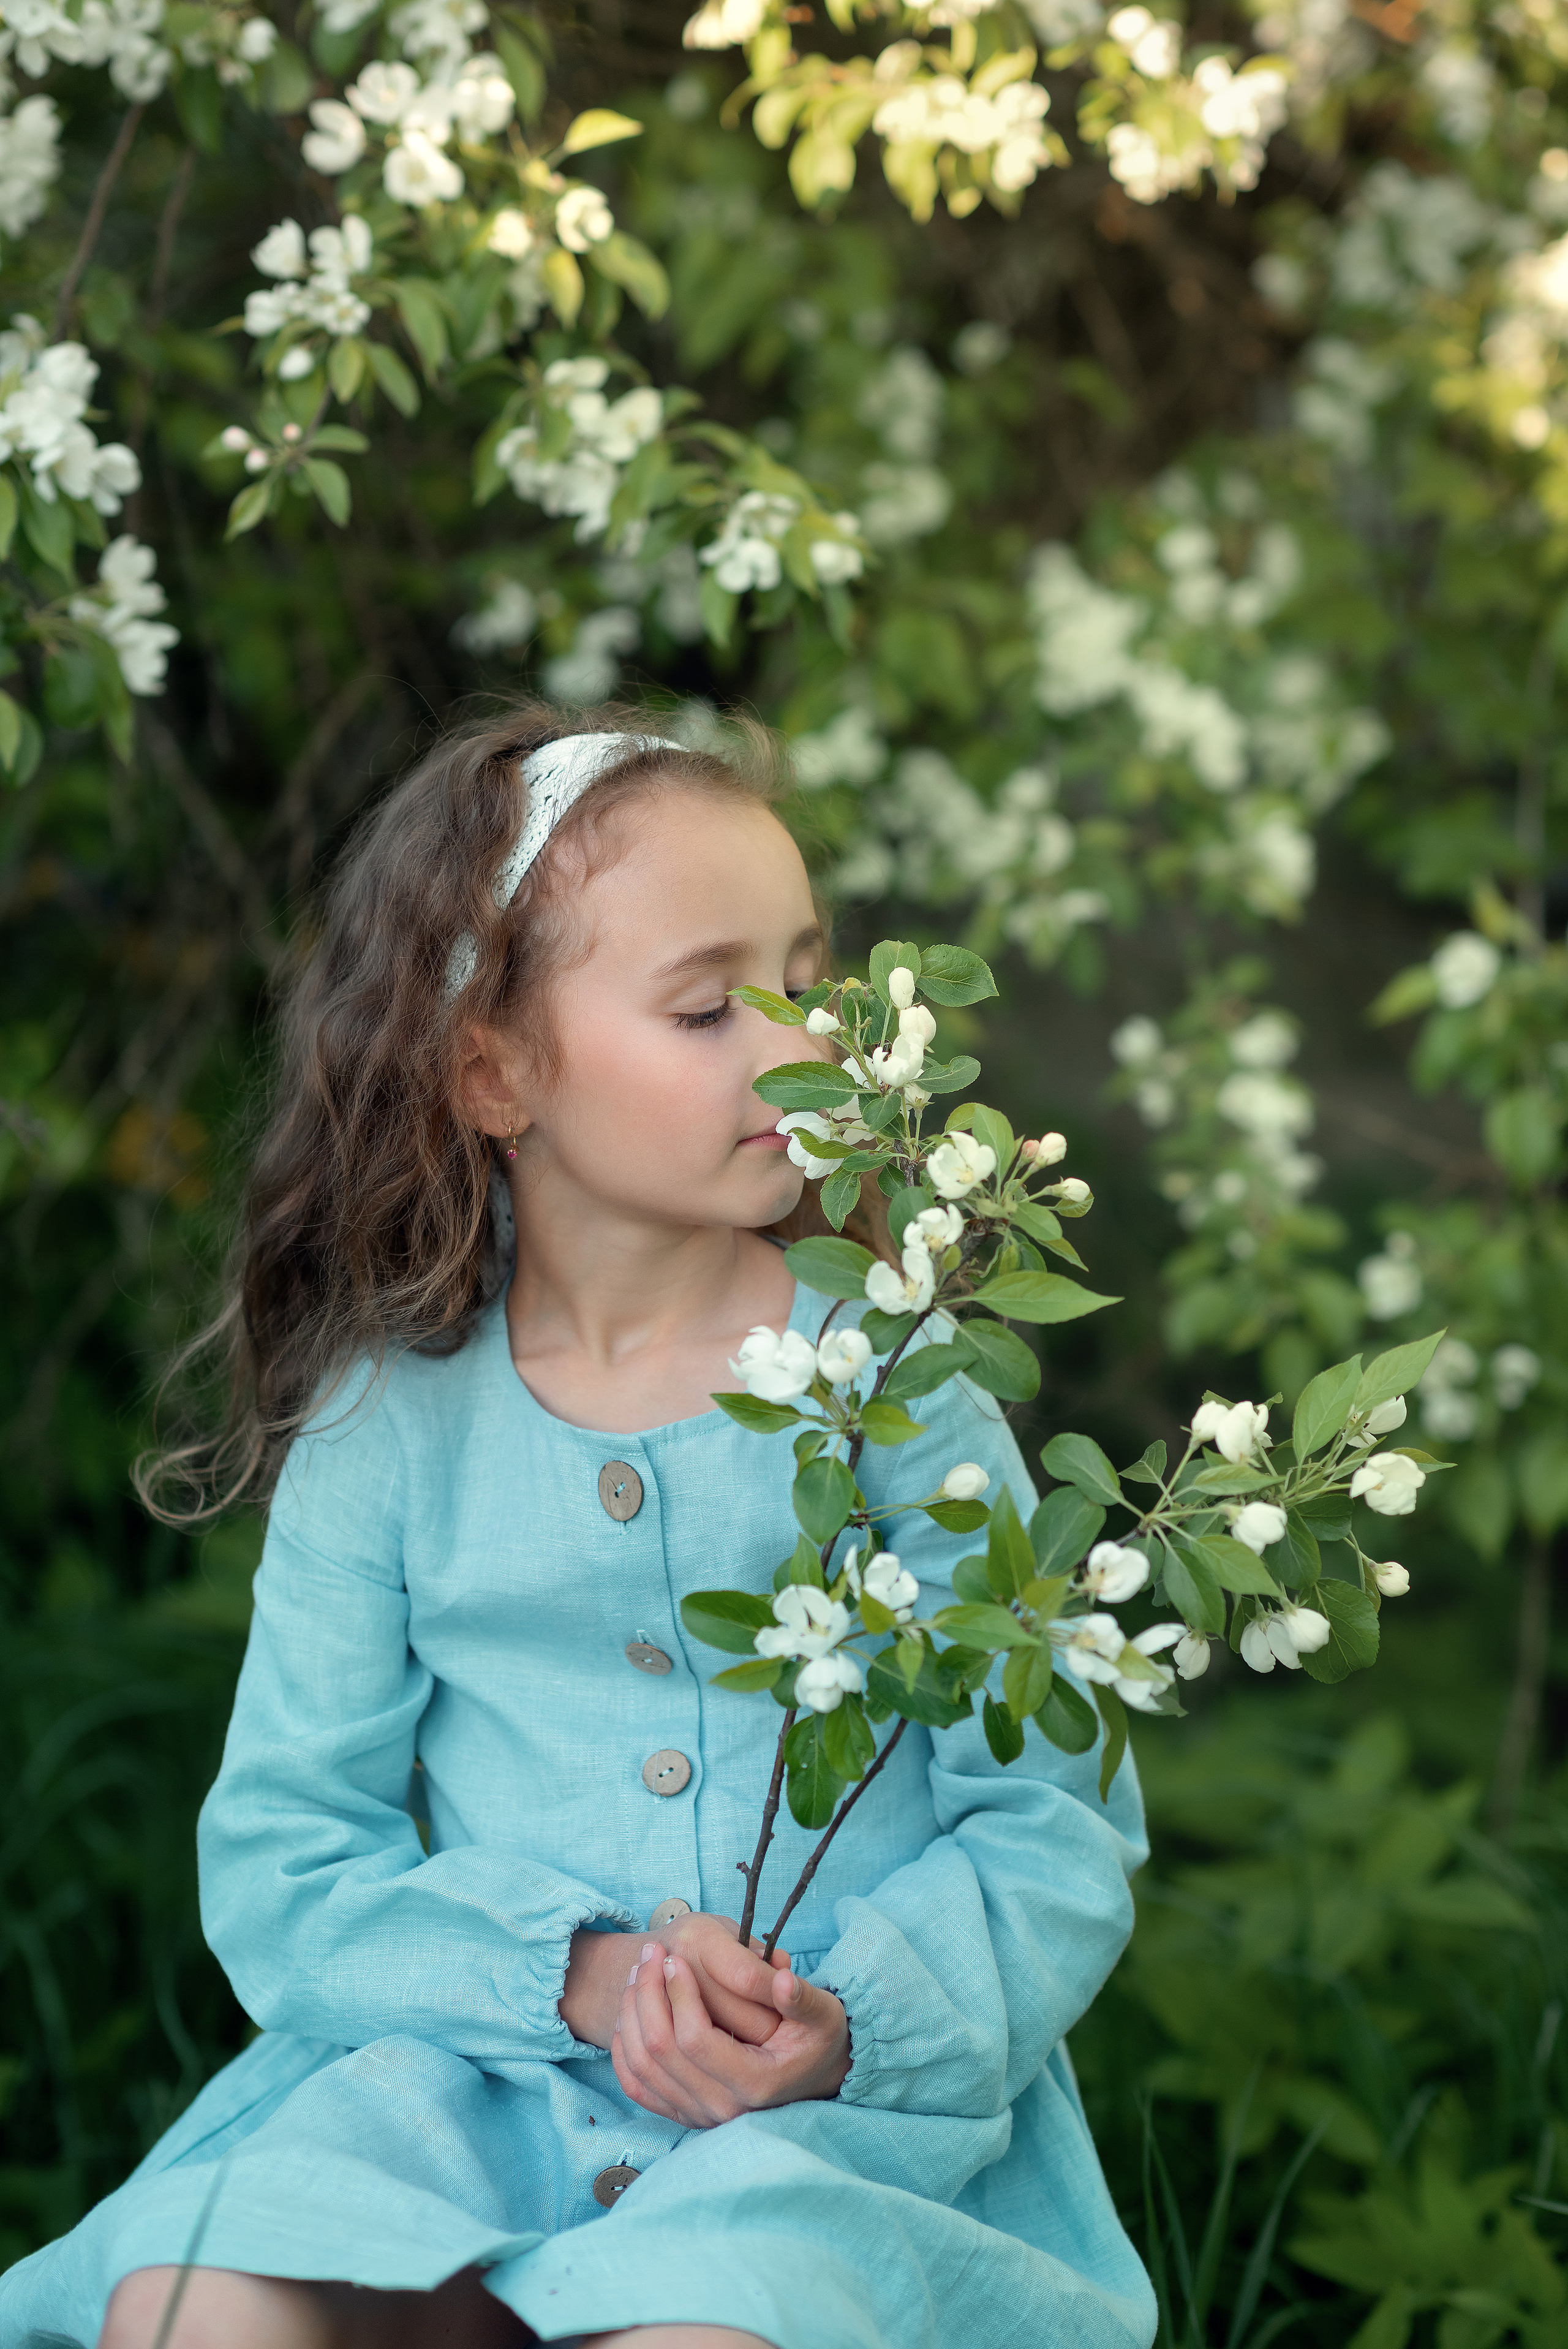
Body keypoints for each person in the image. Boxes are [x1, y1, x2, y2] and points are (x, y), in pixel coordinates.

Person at [0, 707, 1156, 2349]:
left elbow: (1053, 1815)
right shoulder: (390, 1425)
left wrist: (849, 2022)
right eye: (706, 1006)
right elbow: (289, 1854)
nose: (800, 1042)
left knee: (696, 2329)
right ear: (495, 1066)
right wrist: (575, 1977)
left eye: (811, 982)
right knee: (199, 2310)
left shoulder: (898, 1389)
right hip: (467, 2081)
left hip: (812, 2133)